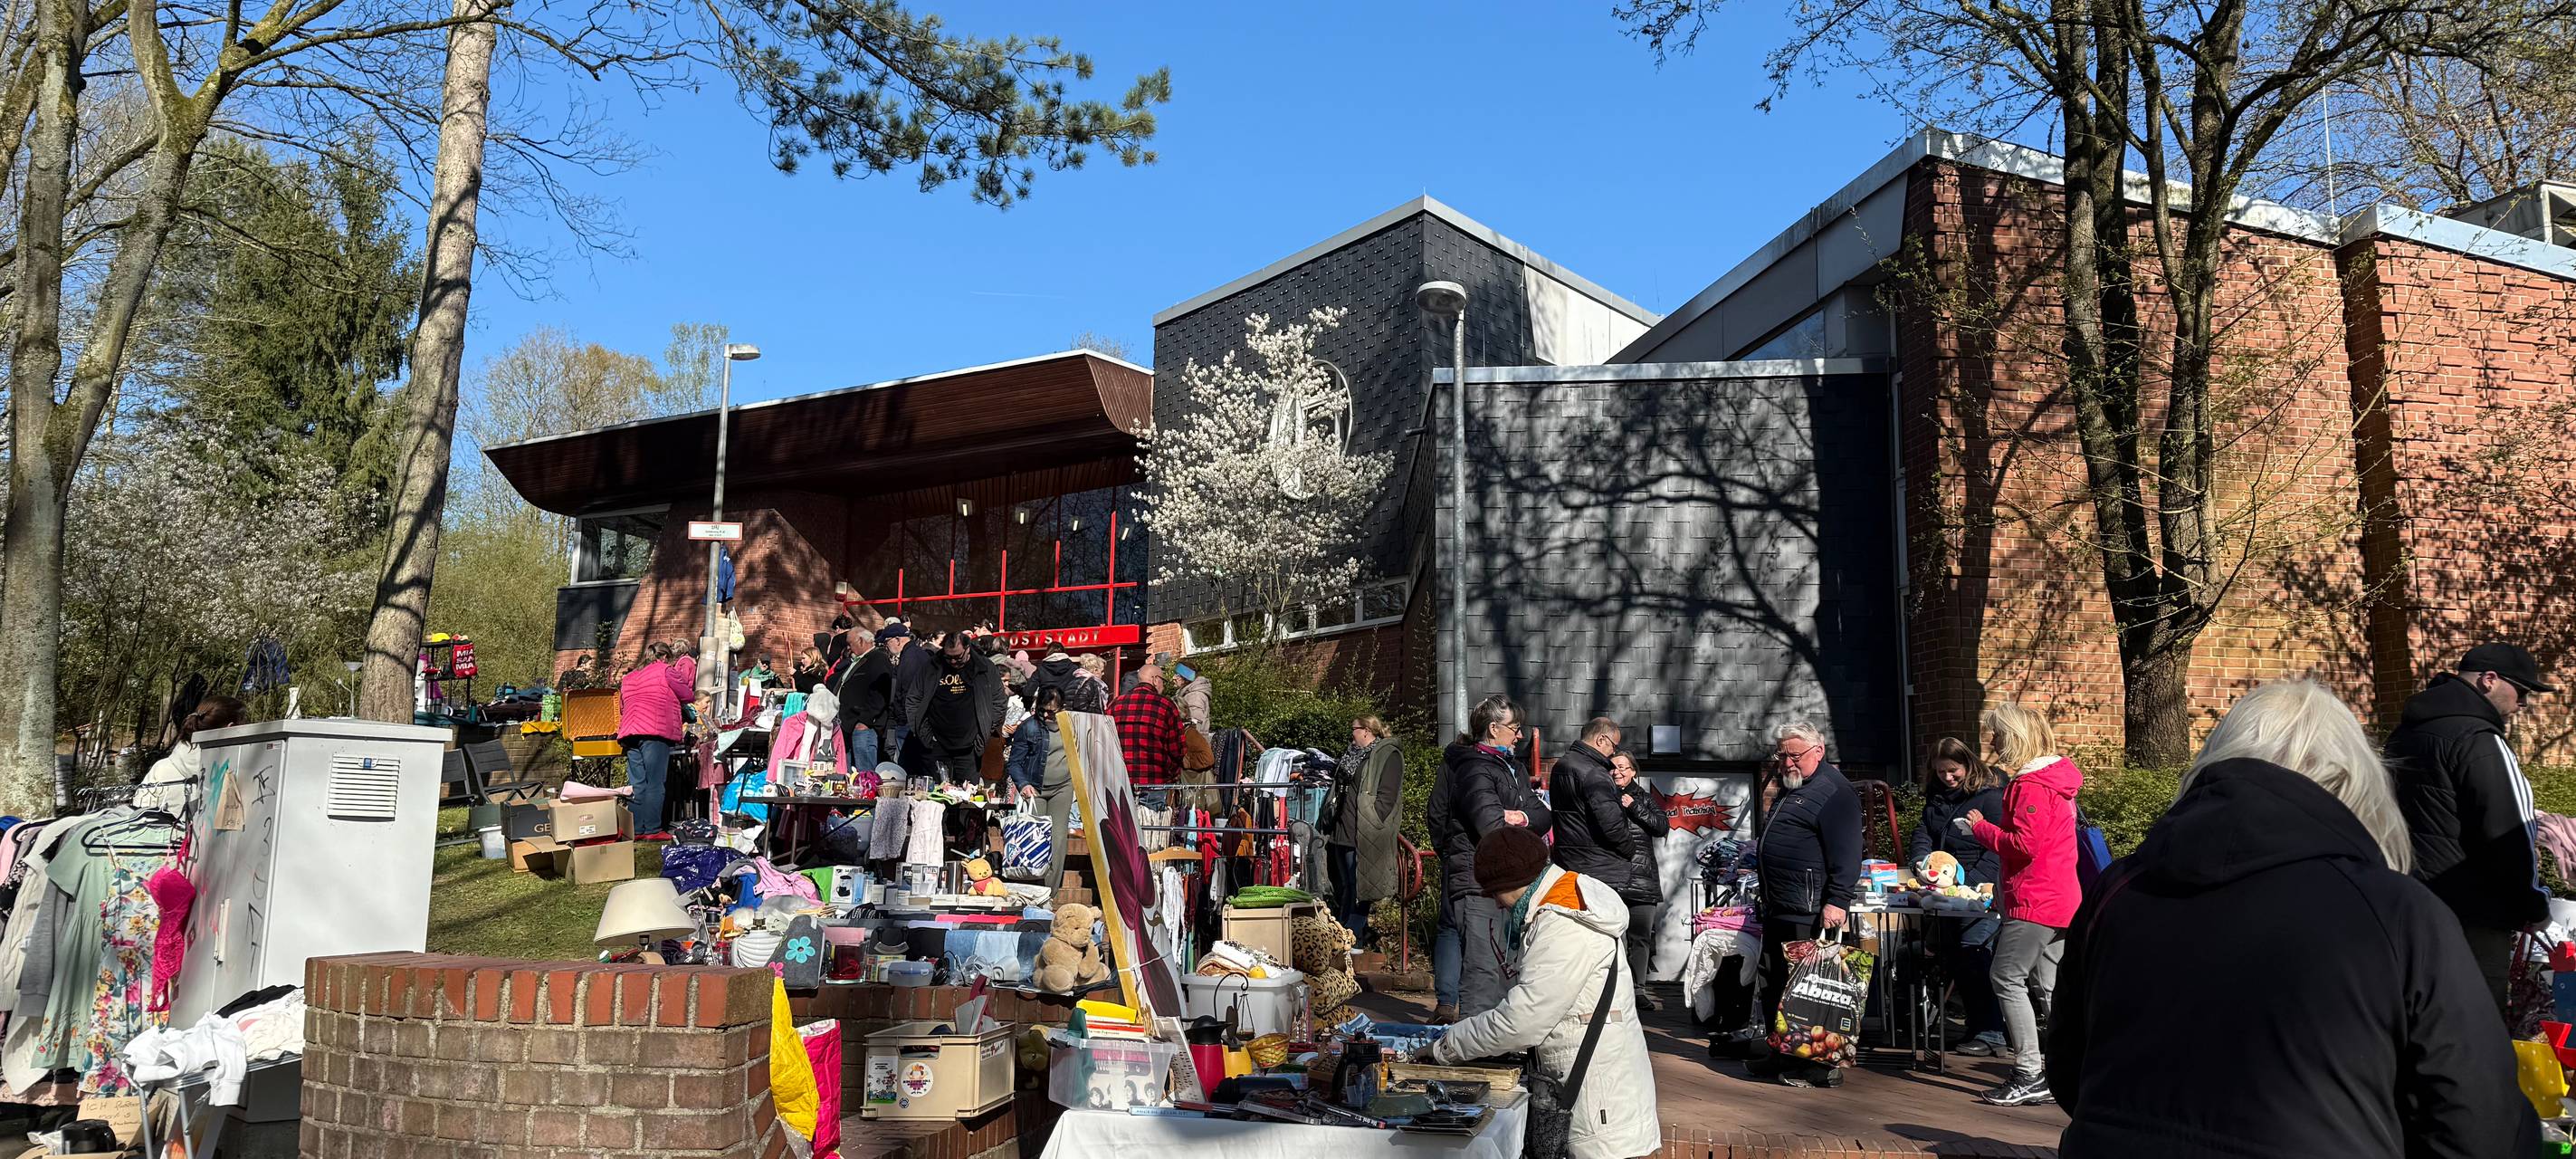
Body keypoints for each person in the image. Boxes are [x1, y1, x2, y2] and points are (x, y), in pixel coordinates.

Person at [2049, 678, 2538, 1156]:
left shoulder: (2119, 890)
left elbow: (2072, 1069)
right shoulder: (2396, 911)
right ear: (2354, 779)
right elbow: (2481, 1123)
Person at [1423, 827, 1660, 1159]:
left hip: (1598, 1105)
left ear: (1512, 883)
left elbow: (1521, 1021)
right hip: (1598, 1090)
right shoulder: (1561, 902)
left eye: (1494, 892)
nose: (1495, 902)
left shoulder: (1562, 923)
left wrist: (1447, 1046)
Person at [2383, 641, 2552, 1011]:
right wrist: (2534, 904)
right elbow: (2510, 830)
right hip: (2472, 916)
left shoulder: (2404, 734)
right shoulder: (2479, 739)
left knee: (2418, 1017)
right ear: (2489, 680)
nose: (2523, 703)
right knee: (2478, 1021)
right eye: (2521, 691)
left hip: (2406, 905)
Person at [1963, 703, 2083, 1106]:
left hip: (2035, 899)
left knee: (2006, 978)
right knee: (2049, 987)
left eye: (1998, 734)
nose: (1993, 742)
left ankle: (2029, 1071)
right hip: (2061, 897)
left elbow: (2024, 845)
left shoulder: (2030, 785)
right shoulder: (2056, 782)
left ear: (2015, 737)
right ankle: (2069, 1068)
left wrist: (1981, 829)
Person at [1736, 721, 1859, 1088]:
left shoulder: (1834, 791)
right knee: (1776, 982)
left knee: (1810, 989)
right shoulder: (1793, 786)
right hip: (1780, 904)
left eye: (1794, 755)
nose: (1787, 762)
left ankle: (1815, 1066)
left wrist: (1837, 900)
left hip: (1810, 908)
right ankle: (1779, 1053)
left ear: (1818, 751)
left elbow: (1847, 852)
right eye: (1782, 755)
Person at [1425, 694, 1553, 1023]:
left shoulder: (1513, 767)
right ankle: (1473, 1042)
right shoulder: (1474, 768)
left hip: (1506, 882)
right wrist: (1452, 853)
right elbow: (1490, 824)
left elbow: (1543, 816)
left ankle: (1495, 1037)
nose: (1519, 735)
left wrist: (1520, 817)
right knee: (1482, 969)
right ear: (1494, 729)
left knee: (1503, 968)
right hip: (1477, 880)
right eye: (1514, 728)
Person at [1904, 736, 2008, 1055]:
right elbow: (1923, 834)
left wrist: (1970, 884)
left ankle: (1991, 1033)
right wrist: (1921, 863)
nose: (1948, 777)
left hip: (1979, 894)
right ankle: (1977, 1029)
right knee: (1956, 958)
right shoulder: (1936, 799)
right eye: (1941, 772)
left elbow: (1998, 849)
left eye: (1953, 770)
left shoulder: (1990, 798)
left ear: (1967, 765)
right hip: (1945, 894)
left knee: (1974, 955)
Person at [1329, 715, 1407, 945]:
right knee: (1345, 887)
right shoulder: (1353, 754)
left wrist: (1373, 818)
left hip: (1363, 830)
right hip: (1342, 828)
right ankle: (1344, 937)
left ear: (1366, 731)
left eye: (1354, 729)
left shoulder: (1387, 755)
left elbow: (1387, 795)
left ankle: (1351, 939)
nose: (1351, 733)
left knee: (1359, 889)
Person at [1608, 750, 1670, 1011]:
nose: (1617, 772)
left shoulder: (1643, 798)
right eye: (1613, 767)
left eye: (1623, 767)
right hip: (1612, 877)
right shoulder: (1602, 796)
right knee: (1614, 938)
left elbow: (1661, 826)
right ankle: (1615, 991)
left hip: (1642, 879)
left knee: (1640, 938)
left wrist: (1633, 806)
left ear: (1633, 771)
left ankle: (1638, 990)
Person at [1547, 718, 1637, 896]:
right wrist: (1630, 850)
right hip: (1599, 869)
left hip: (1568, 865)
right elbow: (1612, 826)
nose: (1613, 752)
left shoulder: (1562, 765)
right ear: (1601, 739)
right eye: (1614, 746)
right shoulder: (1594, 772)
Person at [616, 640, 693, 838]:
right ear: (665, 657)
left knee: (637, 783)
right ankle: (653, 829)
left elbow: (623, 707)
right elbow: (687, 695)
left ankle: (636, 829)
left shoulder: (629, 677)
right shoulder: (666, 670)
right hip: (654, 731)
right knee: (655, 782)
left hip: (630, 733)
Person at [1007, 685, 1079, 889]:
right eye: (1043, 710)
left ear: (1062, 708)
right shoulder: (1029, 727)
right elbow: (1014, 762)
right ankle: (1034, 889)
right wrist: (1023, 784)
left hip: (1063, 787)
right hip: (1035, 789)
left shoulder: (1073, 726)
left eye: (1052, 711)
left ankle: (1049, 893)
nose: (1047, 715)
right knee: (1035, 839)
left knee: (1058, 840)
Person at [910, 632, 1004, 783]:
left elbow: (999, 702)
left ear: (968, 648)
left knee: (968, 794)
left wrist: (983, 732)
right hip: (936, 745)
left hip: (970, 747)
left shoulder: (984, 667)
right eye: (949, 657)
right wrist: (925, 734)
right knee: (936, 794)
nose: (953, 661)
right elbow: (913, 699)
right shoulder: (931, 667)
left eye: (958, 657)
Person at [136, 695, 248, 814]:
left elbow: (138, 816)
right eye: (245, 723)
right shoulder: (243, 774)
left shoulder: (160, 769)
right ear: (231, 729)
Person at [1108, 661, 1183, 787]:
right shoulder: (1166, 705)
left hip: (1120, 780)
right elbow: (1177, 749)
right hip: (1155, 779)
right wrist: (1172, 773)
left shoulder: (1115, 704)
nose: (1163, 686)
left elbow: (1104, 742)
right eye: (1163, 681)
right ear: (1155, 680)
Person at [833, 627, 893, 771]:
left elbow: (880, 692)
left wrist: (866, 720)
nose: (849, 647)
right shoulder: (858, 660)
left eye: (850, 643)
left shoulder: (878, 659)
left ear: (861, 641)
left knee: (864, 771)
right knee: (845, 770)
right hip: (847, 723)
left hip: (862, 725)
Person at [884, 622, 929, 773]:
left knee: (905, 768)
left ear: (897, 640)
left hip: (910, 722)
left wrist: (903, 718)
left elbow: (909, 693)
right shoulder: (912, 655)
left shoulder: (912, 657)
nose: (886, 647)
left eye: (887, 642)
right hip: (911, 721)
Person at [1027, 650, 1105, 714]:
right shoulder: (1091, 682)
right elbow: (1081, 706)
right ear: (1095, 670)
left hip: (1071, 719)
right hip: (1085, 723)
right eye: (1102, 671)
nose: (1103, 674)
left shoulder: (1075, 679)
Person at [1172, 662, 1212, 736]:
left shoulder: (1195, 696)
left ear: (1185, 678)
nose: (1173, 678)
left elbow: (1195, 726)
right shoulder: (1189, 694)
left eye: (1177, 675)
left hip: (1193, 742)